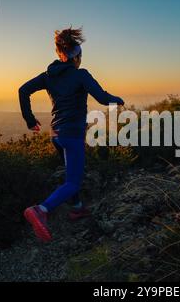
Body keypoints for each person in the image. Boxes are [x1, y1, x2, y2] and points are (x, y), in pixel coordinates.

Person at [18, 26, 124, 242]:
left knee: (70, 175)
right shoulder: (81, 75)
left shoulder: (48, 76)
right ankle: (41, 210)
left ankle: (76, 208)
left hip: (55, 134)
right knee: (74, 182)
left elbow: (23, 90)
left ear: (60, 54)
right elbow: (103, 98)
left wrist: (30, 120)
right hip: (72, 134)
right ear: (77, 57)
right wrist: (118, 100)